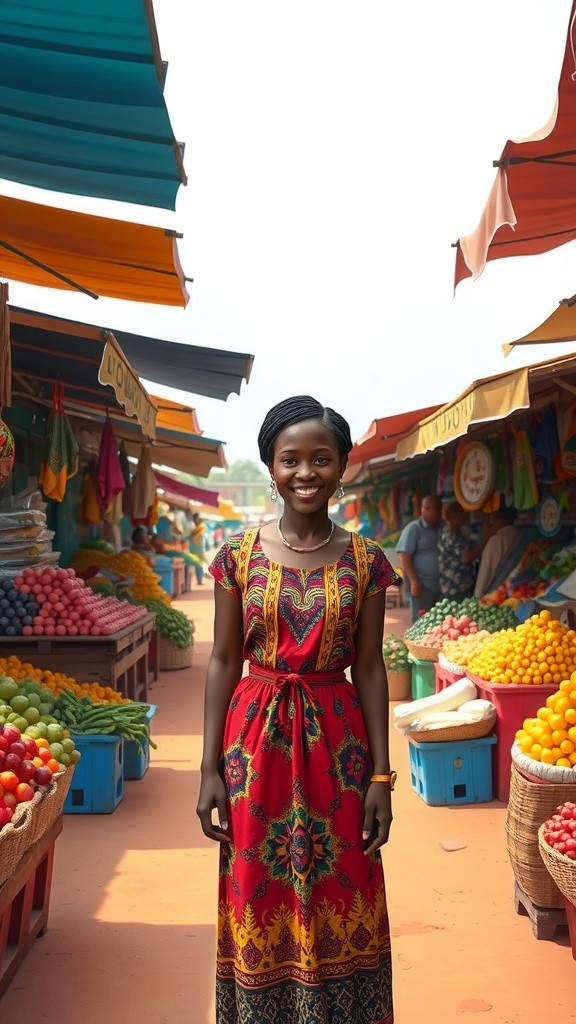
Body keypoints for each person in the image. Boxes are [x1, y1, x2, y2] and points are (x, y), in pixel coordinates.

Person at [196, 395, 398, 1024]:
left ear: (341, 467)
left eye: (321, 459)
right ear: (270, 467)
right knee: (258, 888)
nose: (305, 472)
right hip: (255, 751)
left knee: (346, 884)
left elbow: (368, 666)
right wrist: (208, 770)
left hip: (340, 752)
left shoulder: (365, 562)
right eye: (291, 460)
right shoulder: (237, 558)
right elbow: (224, 661)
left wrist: (381, 776)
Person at [396, 493, 442, 622]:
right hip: (422, 585)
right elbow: (404, 554)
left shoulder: (441, 527)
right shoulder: (414, 528)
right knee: (421, 623)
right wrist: (414, 580)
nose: (437, 513)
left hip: (441, 585)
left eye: (439, 509)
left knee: (438, 623)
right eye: (434, 509)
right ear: (424, 509)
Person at [474, 505, 522, 599]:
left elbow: (485, 574)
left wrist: (477, 597)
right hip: (510, 587)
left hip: (494, 593)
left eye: (491, 518)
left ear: (498, 520)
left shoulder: (495, 540)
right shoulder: (517, 533)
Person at [437, 501, 477, 601]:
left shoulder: (457, 532)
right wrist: (486, 538)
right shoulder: (450, 535)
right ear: (454, 516)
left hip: (462, 586)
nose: (467, 516)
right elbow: (467, 557)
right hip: (455, 589)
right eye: (463, 513)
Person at [189, 511, 207, 584]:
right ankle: (198, 580)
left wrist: (191, 534)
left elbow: (193, 536)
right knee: (196, 565)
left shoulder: (201, 526)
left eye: (195, 519)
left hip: (199, 549)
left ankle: (199, 580)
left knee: (199, 565)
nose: (195, 520)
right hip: (193, 548)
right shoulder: (196, 527)